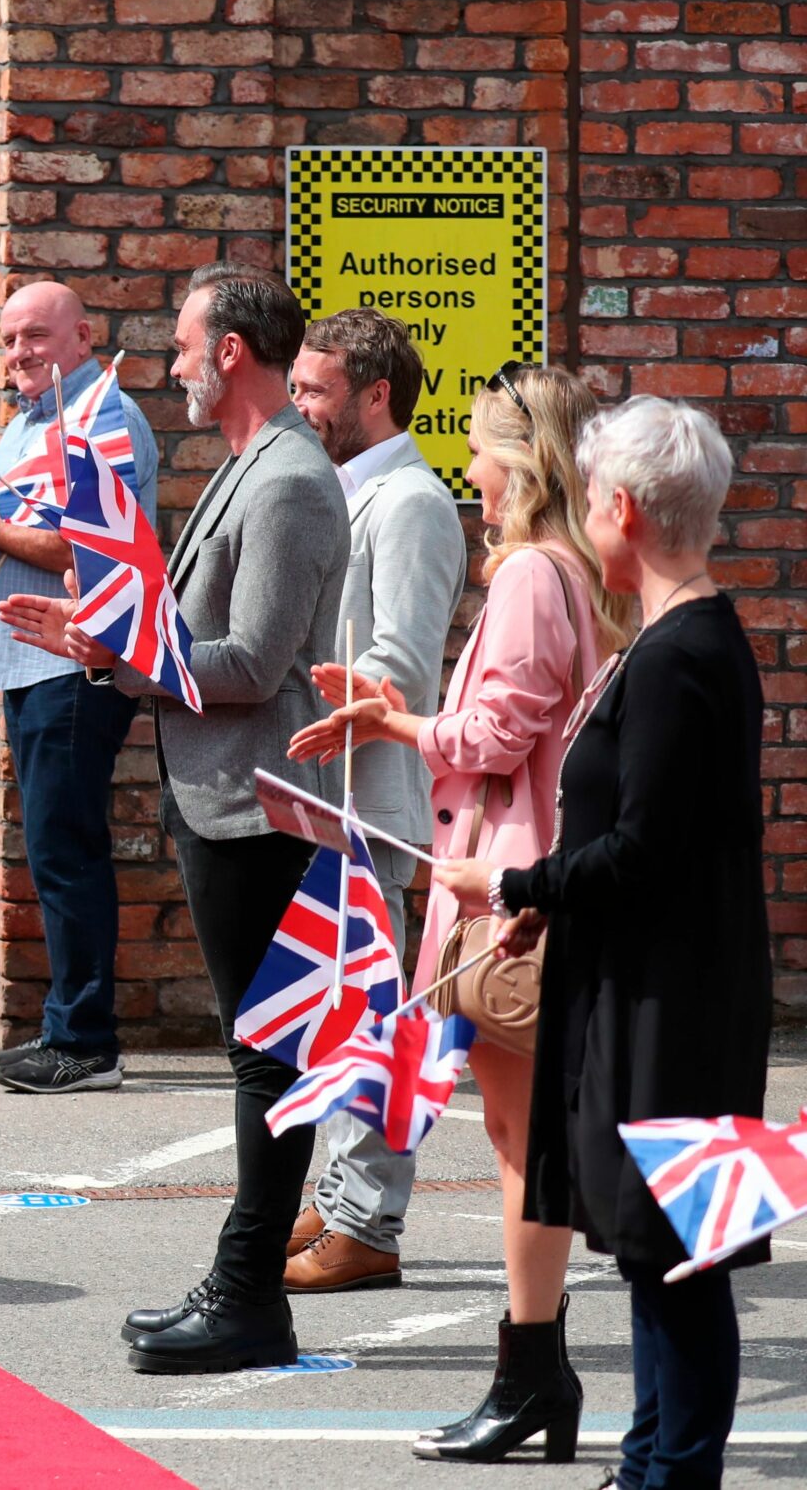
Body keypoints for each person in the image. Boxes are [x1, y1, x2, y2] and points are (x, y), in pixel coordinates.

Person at [3, 263, 347, 1373]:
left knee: (269, 1056)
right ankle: (244, 1287)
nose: (177, 367)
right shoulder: (250, 463)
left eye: (189, 348)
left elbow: (251, 662)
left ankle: (247, 1294)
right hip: (222, 792)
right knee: (261, 1051)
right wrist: (103, 643)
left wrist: (120, 656)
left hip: (259, 804)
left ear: (232, 352)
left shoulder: (287, 477)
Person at [293, 362, 628, 1461]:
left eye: (481, 449)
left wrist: (396, 728)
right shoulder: (570, 568)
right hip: (516, 876)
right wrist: (409, 714)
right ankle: (535, 1371)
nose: (469, 470)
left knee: (522, 1145)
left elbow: (495, 737)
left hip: (503, 888)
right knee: (515, 1137)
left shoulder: (534, 571)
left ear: (523, 461)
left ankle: (531, 1371)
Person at [438, 398, 760, 1488]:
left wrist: (516, 880)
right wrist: (545, 901)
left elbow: (644, 850)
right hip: (649, 981)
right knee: (648, 1246)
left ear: (620, 510)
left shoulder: (680, 654)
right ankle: (647, 1459)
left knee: (674, 1253)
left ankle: (671, 1470)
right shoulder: (675, 643)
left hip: (671, 997)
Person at [0, 280, 157, 1094]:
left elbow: (86, 552)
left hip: (74, 662)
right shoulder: (23, 425)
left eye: (37, 336)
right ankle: (64, 1029)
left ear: (83, 335)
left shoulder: (102, 416)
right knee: (50, 846)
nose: (20, 354)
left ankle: (86, 1042)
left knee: (66, 847)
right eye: (10, 340)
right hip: (27, 659)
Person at [279, 309, 468, 1292]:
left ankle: (366, 1226)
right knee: (339, 1014)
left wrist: (304, 695)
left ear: (375, 395)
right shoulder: (343, 491)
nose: (298, 404)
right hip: (327, 794)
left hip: (376, 798)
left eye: (313, 391)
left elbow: (399, 655)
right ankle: (335, 1198)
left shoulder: (410, 504)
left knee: (374, 1020)